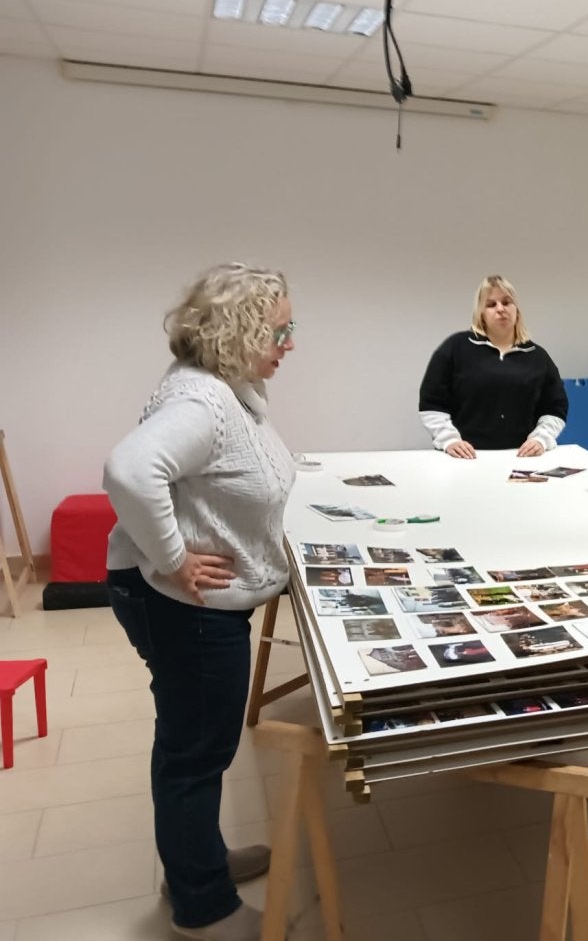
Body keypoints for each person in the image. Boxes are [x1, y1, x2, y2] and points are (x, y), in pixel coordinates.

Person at [104, 263, 298, 941]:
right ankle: (203, 909)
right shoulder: (204, 401)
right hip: (187, 611)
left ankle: (198, 863)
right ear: (239, 331)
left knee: (193, 745)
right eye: (281, 330)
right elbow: (130, 470)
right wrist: (174, 558)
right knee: (195, 752)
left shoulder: (228, 391)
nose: (290, 343)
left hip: (194, 607)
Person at [419, 274, 567, 458]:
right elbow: (431, 402)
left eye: (507, 302)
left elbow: (555, 407)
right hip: (466, 459)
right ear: (481, 312)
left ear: (516, 309)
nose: (500, 309)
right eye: (491, 304)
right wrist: (449, 440)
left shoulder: (537, 356)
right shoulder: (455, 349)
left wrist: (541, 439)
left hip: (522, 460)